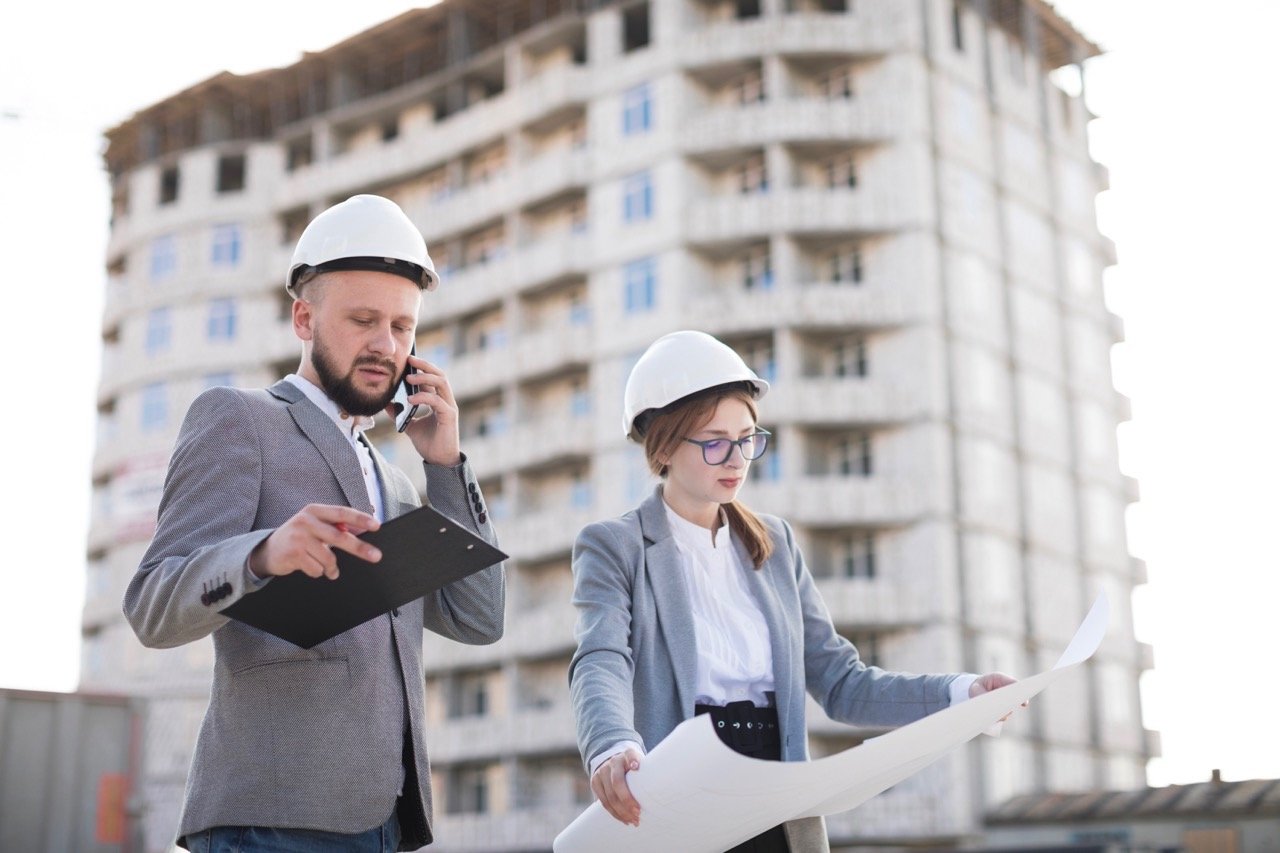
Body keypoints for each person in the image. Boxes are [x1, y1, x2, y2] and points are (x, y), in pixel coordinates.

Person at [123, 194, 505, 852]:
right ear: (304, 318)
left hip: (386, 819)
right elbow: (153, 605)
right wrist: (263, 554)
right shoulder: (239, 420)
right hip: (271, 817)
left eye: (402, 326)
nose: (385, 344)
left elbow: (480, 617)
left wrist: (445, 462)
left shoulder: (396, 481)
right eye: (362, 320)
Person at [568, 330, 1018, 853]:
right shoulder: (614, 546)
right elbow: (600, 657)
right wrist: (610, 746)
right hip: (678, 799)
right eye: (715, 441)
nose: (736, 459)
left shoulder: (774, 543)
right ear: (663, 446)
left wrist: (962, 695)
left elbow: (842, 683)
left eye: (748, 438)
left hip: (777, 805)